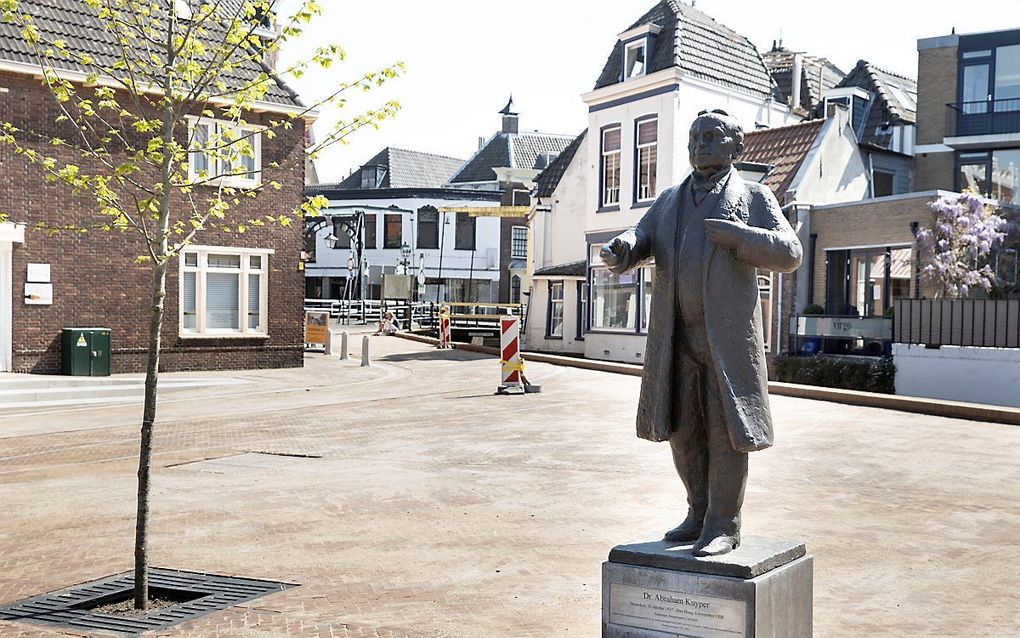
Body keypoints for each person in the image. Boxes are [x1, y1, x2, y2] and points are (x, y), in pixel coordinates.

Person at [600, 109, 802, 557]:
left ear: (737, 145)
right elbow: (640, 235)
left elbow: (790, 252)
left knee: (725, 429)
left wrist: (739, 237)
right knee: (683, 428)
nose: (701, 144)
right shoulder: (671, 199)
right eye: (694, 137)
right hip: (676, 338)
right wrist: (622, 248)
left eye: (712, 136)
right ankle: (696, 512)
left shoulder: (753, 196)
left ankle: (723, 522)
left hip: (726, 341)